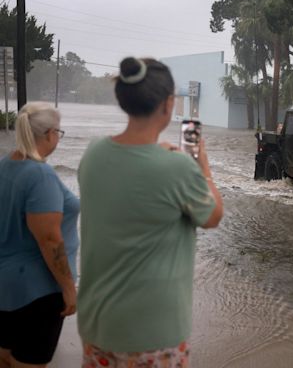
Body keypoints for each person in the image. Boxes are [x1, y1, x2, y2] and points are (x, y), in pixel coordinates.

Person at [77, 57, 223, 368]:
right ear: (169, 104)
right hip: (153, 335)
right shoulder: (178, 167)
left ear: (123, 99)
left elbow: (133, 183)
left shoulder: (93, 154)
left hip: (97, 325)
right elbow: (212, 217)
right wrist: (201, 165)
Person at [0, 102, 79, 368]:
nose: (59, 137)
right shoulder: (40, 175)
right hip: (37, 290)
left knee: (6, 357)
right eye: (60, 132)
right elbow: (49, 239)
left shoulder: (5, 165)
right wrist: (68, 288)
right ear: (49, 134)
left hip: (6, 286)